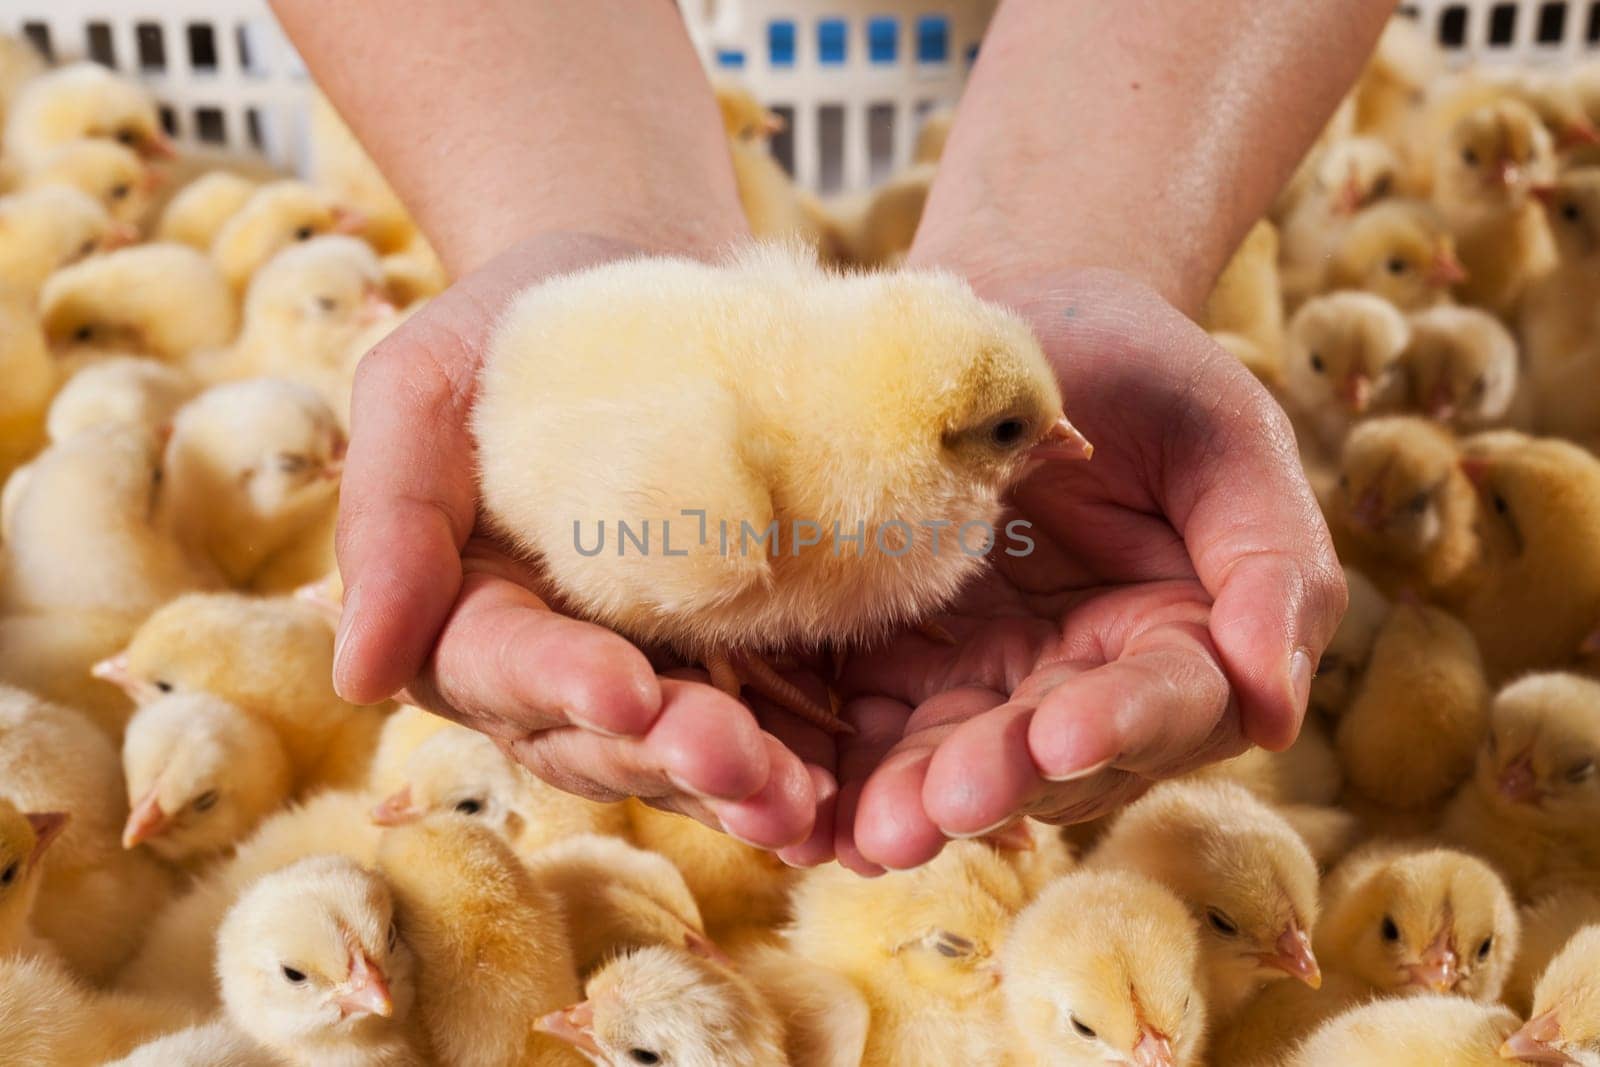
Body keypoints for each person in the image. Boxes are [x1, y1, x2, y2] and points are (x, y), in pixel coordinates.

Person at [273, 0, 1388, 874]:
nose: (1062, 444)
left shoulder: (839, 414)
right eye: (1010, 431)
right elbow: (580, 441)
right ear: (934, 439)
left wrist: (1075, 250)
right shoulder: (722, 507)